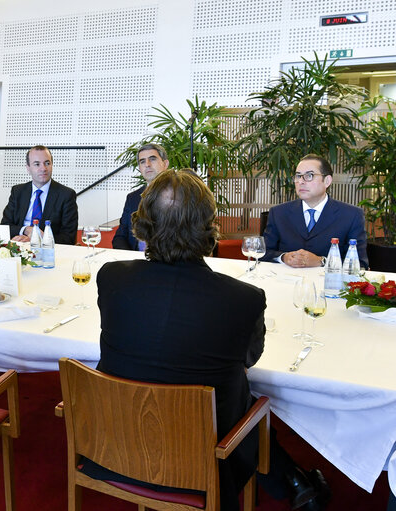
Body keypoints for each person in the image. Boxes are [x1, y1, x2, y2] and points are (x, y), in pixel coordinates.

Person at [86, 169, 329, 511]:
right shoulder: (243, 298)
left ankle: (293, 481)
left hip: (113, 444)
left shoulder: (111, 277)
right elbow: (248, 360)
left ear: (141, 225)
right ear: (210, 226)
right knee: (247, 397)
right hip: (207, 457)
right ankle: (294, 482)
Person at [261, 154, 368, 268]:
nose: (301, 181)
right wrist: (283, 257)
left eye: (309, 175)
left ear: (327, 181)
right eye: (298, 176)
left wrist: (321, 261)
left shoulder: (351, 215)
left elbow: (360, 264)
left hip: (328, 283)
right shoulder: (278, 213)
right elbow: (262, 253)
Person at [1, 145, 78, 245]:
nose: (43, 168)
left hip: (48, 252)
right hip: (18, 248)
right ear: (28, 168)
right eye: (37, 164)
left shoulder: (66, 195)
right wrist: (26, 230)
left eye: (47, 163)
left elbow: (68, 238)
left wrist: (37, 240)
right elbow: (4, 227)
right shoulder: (18, 191)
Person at [112, 143, 169, 251]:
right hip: (136, 261)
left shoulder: (179, 195)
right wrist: (130, 260)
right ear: (140, 168)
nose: (147, 164)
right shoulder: (132, 198)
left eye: (152, 159)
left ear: (165, 164)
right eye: (142, 161)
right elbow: (120, 237)